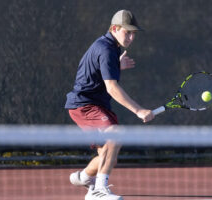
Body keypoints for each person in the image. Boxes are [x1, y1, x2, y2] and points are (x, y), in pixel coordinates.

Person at [64, 10, 154, 200]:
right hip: (85, 105)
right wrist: (138, 110)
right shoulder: (106, 49)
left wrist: (116, 65)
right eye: (127, 32)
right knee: (116, 135)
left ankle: (84, 177)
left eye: (133, 34)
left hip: (95, 105)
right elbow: (112, 87)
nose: (130, 37)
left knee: (108, 152)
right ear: (114, 28)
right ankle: (98, 191)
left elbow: (99, 70)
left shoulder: (110, 48)